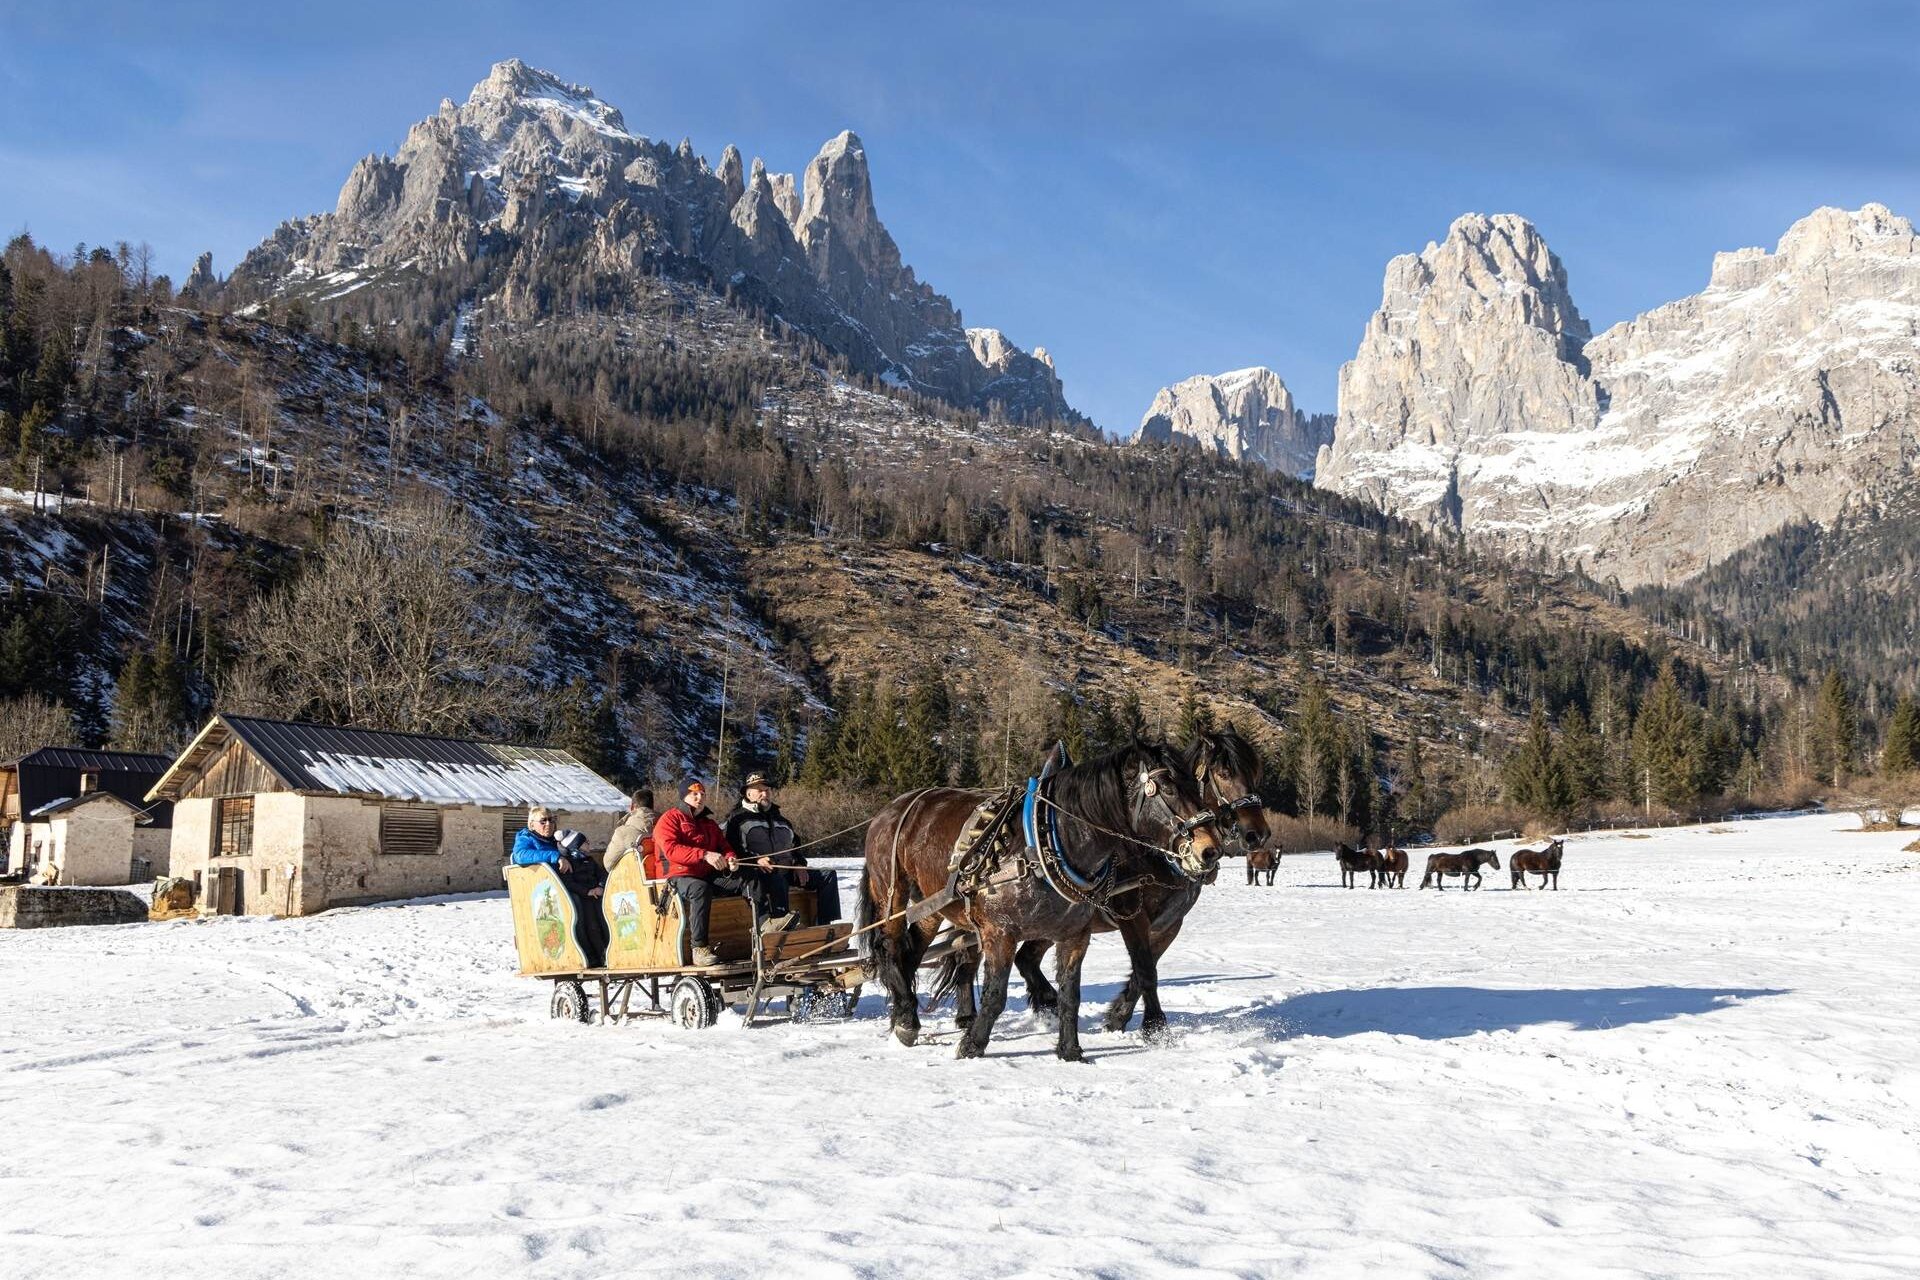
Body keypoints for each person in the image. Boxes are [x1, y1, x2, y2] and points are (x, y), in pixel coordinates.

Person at [654, 779, 791, 966]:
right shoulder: (670, 819)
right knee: (699, 888)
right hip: (678, 875)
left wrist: (731, 858)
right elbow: (671, 850)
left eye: (702, 794)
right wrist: (703, 854)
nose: (699, 797)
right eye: (694, 793)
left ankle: (764, 924)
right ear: (683, 796)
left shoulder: (709, 824)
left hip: (708, 873)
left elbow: (724, 846)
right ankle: (699, 948)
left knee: (749, 876)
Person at [723, 773, 841, 922]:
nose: (765, 793)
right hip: (761, 874)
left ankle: (826, 926)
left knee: (827, 875)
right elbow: (732, 849)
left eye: (767, 790)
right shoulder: (737, 819)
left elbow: (796, 846)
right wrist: (756, 859)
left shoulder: (781, 820)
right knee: (777, 879)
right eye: (759, 790)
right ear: (748, 793)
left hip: (788, 870)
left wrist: (799, 864)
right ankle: (781, 926)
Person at [512, 806, 608, 965]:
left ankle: (602, 950)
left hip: (567, 885)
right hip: (545, 891)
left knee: (594, 904)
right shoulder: (526, 838)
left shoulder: (556, 841)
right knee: (575, 903)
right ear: (532, 824)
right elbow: (520, 856)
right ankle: (585, 954)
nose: (548, 824)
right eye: (543, 821)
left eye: (551, 820)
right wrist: (555, 856)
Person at [604, 788, 657, 875]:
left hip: (633, 881)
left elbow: (608, 864)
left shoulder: (622, 832)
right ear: (652, 806)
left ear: (632, 806)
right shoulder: (666, 825)